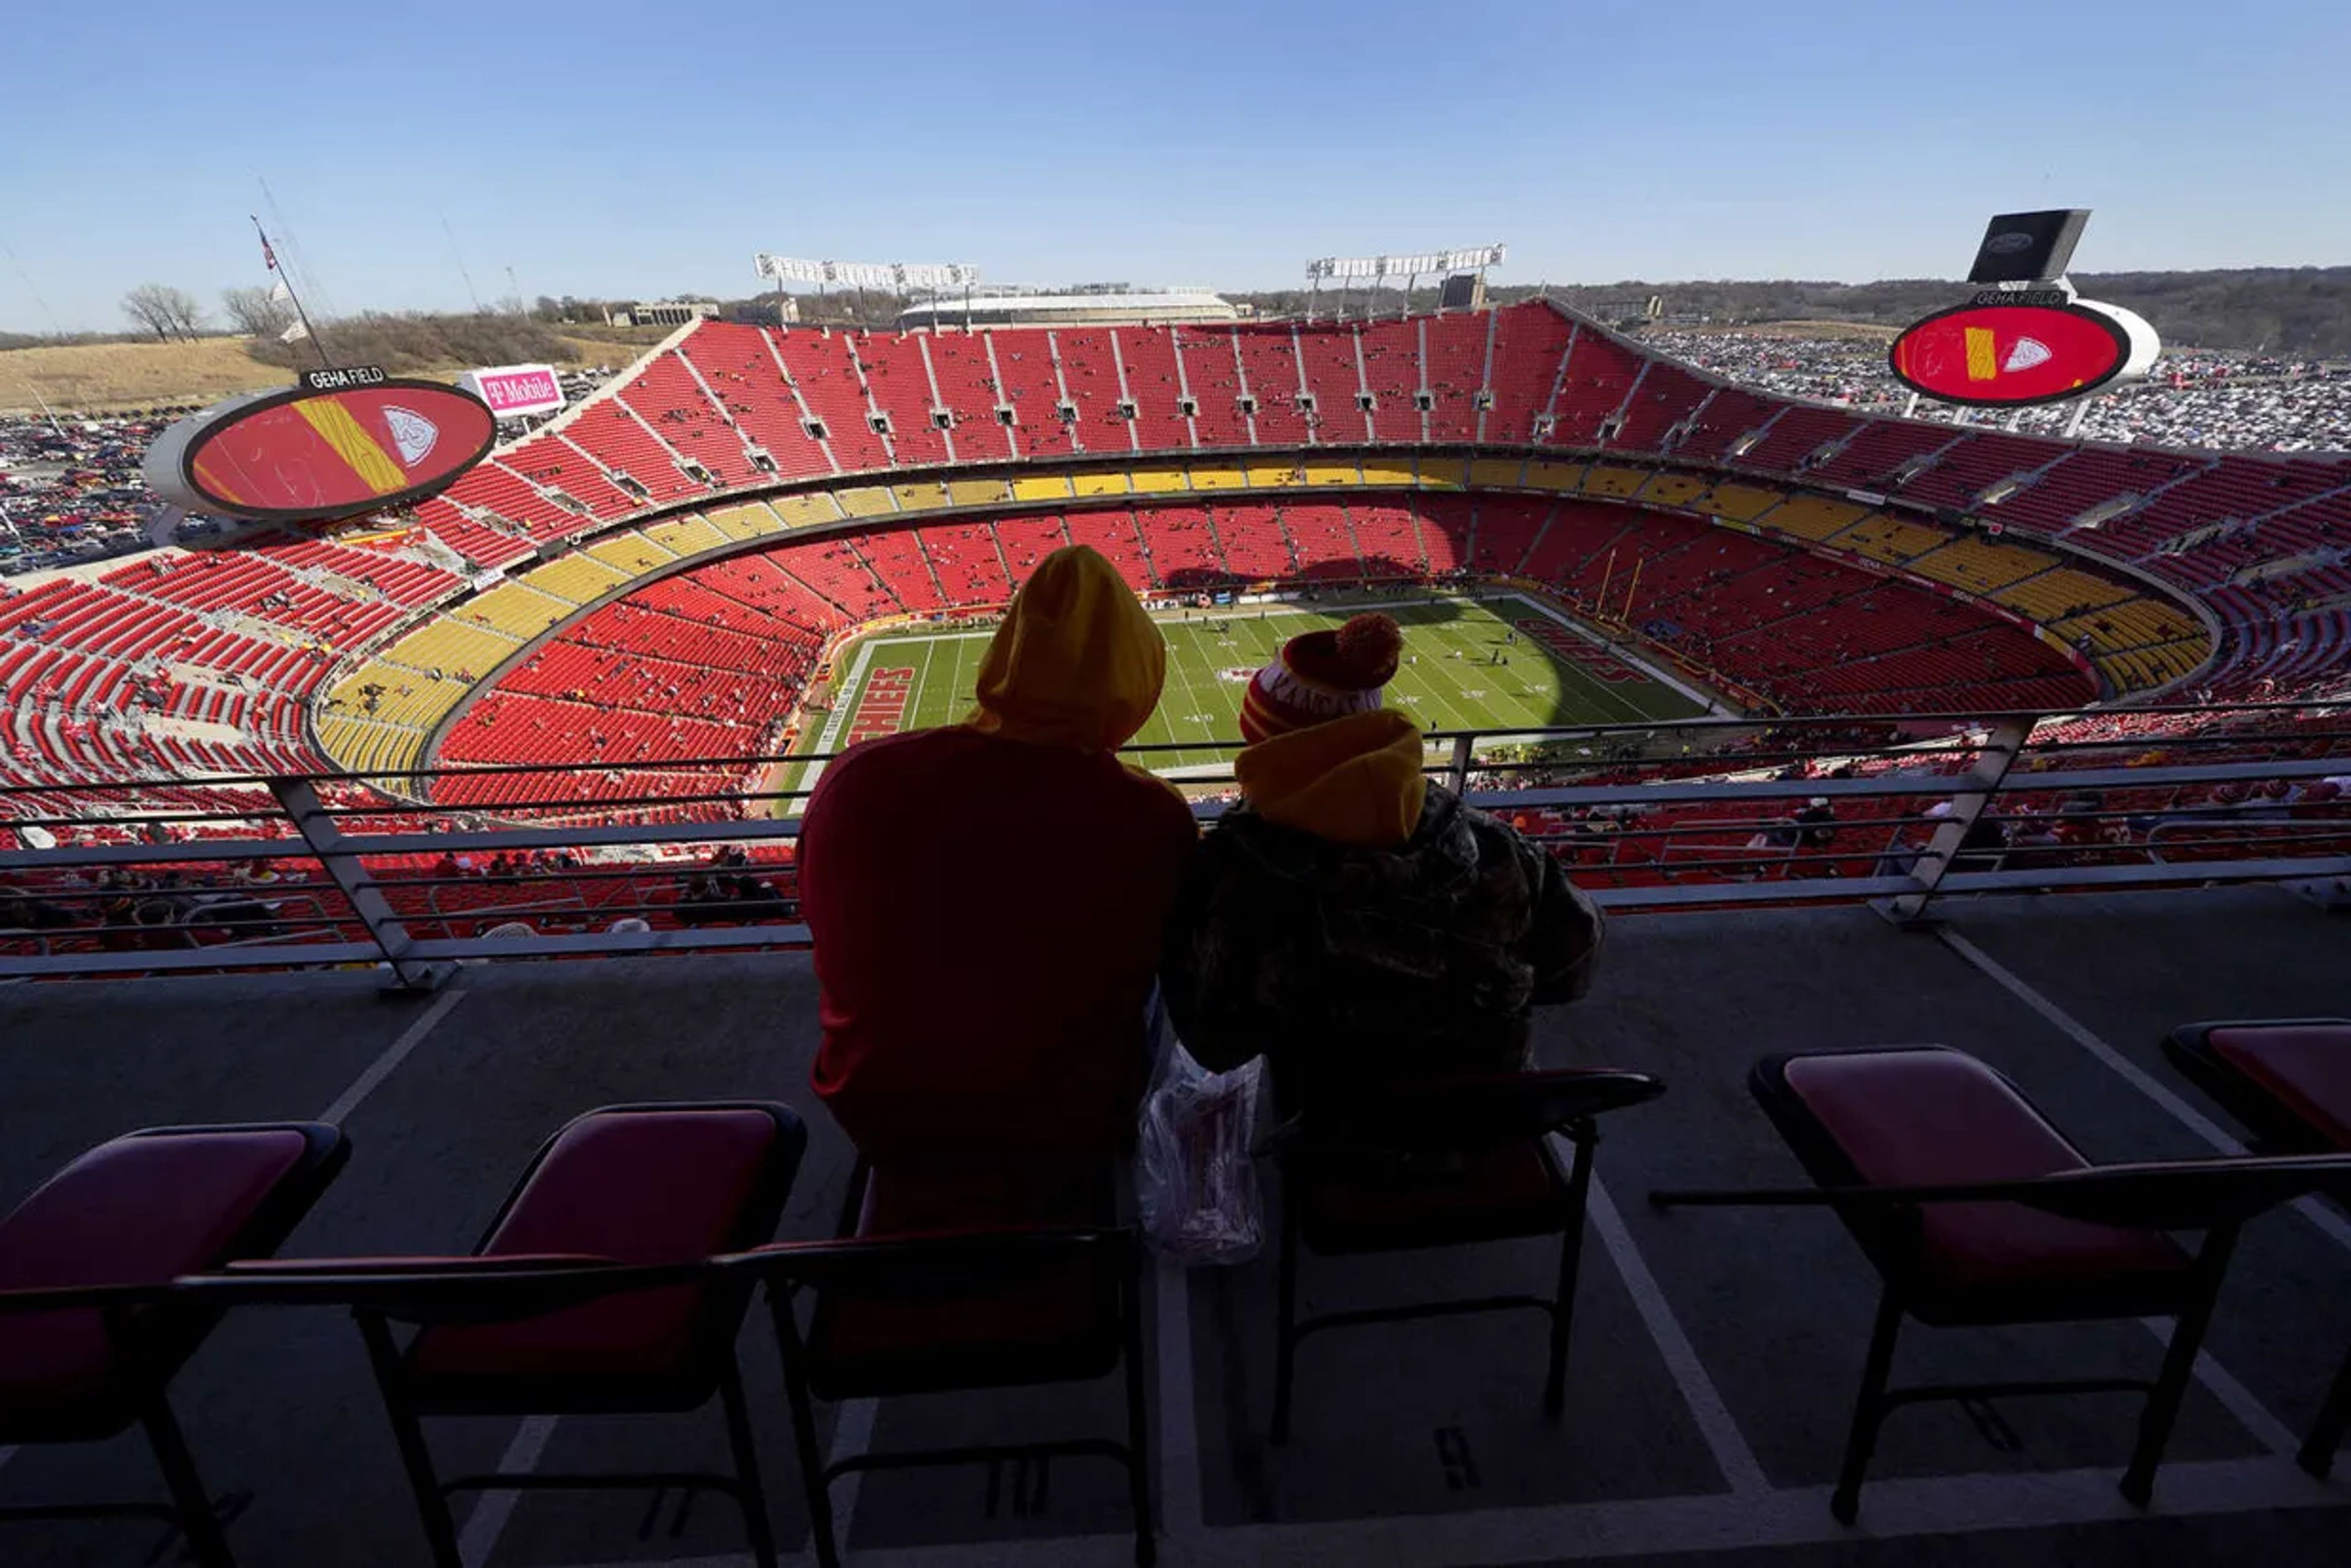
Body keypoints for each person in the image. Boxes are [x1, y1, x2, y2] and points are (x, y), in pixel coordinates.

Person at [800, 545, 1197, 1166]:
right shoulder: (1152, 815)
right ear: (1135, 675)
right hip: (1067, 1118)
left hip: (875, 1107)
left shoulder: (862, 776)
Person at [1161, 613, 1605, 1111]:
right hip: (1485, 1125)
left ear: (1267, 750)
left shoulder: (1235, 875)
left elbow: (1214, 1041)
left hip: (1329, 1142)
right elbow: (1573, 967)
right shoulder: (1494, 846)